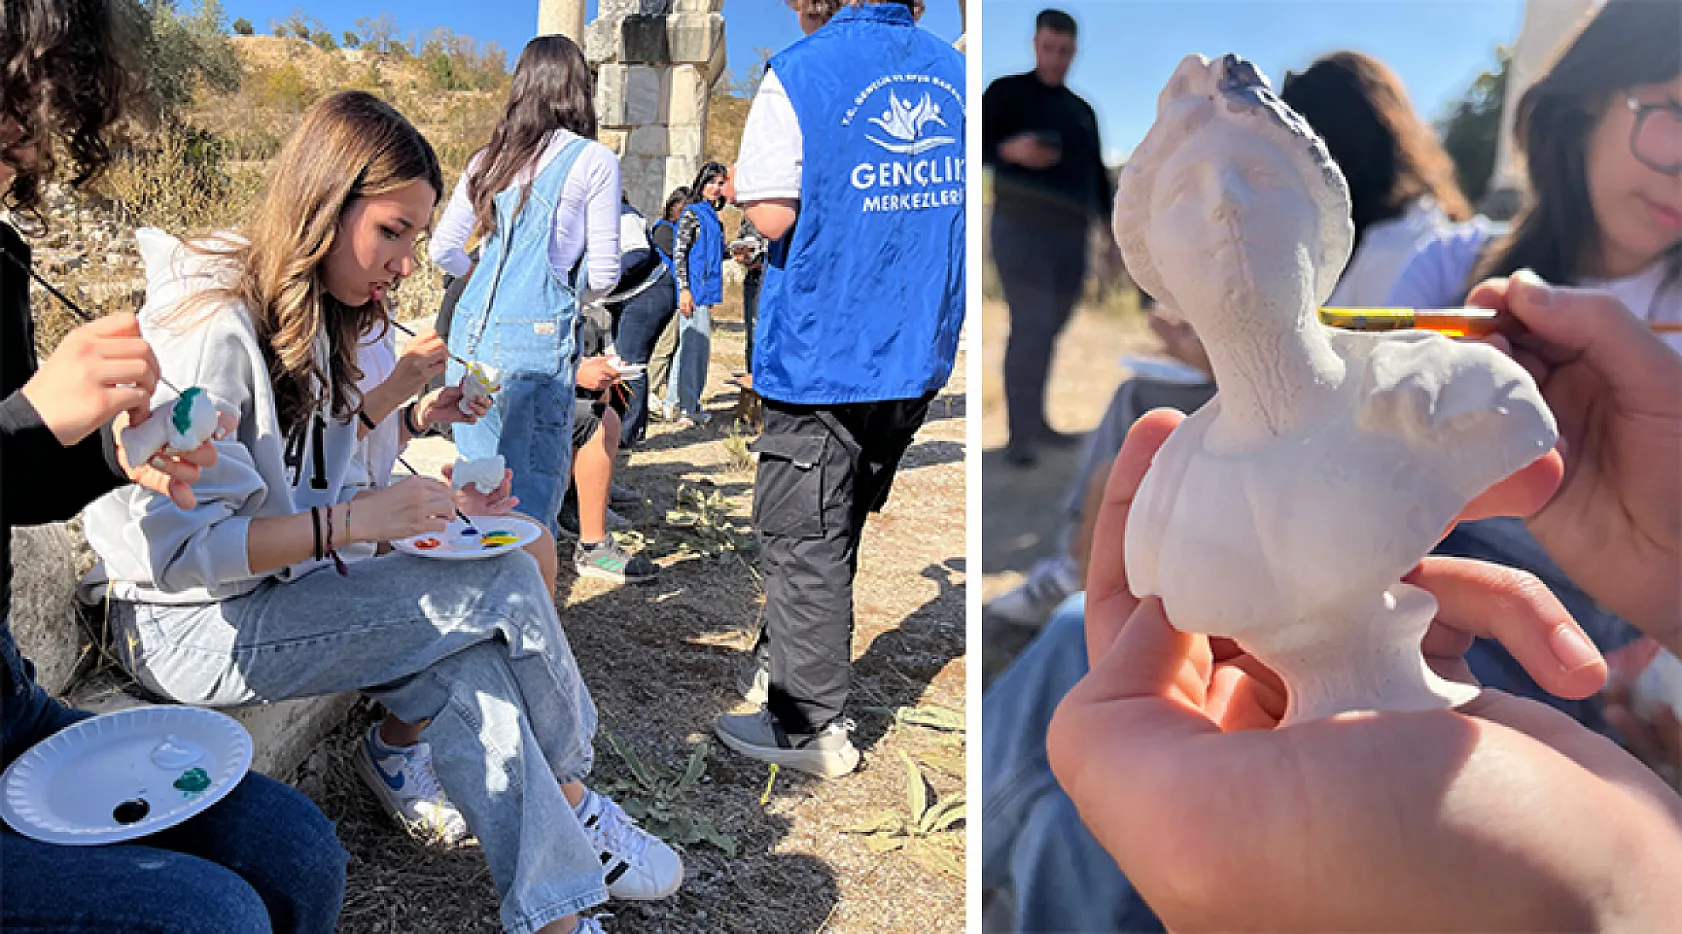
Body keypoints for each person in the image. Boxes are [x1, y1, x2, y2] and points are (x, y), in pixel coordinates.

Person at [80, 93, 680, 934]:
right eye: (391, 231)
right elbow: (186, 553)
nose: (408, 261)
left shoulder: (316, 319)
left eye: (416, 234)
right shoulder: (214, 331)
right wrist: (356, 524)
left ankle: (557, 915)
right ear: (326, 204)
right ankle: (574, 786)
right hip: (189, 624)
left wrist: (407, 489)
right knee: (508, 573)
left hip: (275, 594)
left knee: (472, 672)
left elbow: (310, 475)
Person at [1045, 274, 1682, 932]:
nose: (1225, 216)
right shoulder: (1186, 473)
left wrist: (1614, 880)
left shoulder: (1416, 376)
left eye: (1259, 180)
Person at [1, 2, 347, 930]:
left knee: (299, 856)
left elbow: (14, 487)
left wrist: (107, 454)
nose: (27, 155)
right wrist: (25, 416)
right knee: (210, 918)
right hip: (174, 634)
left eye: (29, 122)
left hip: (6, 709)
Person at [986, 48, 1476, 628]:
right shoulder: (1379, 225)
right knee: (1135, 399)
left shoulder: (1409, 245)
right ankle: (1074, 561)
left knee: (1141, 414)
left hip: (1318, 431)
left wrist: (1214, 353)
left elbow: (1347, 365)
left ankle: (1075, 572)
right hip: (1283, 403)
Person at [1385, 0, 1681, 738]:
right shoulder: (1454, 267)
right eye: (1676, 113)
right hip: (1397, 578)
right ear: (1589, 97)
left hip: (1571, 658)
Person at [716, 0, 964, 777]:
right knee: (837, 515)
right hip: (915, 345)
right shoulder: (957, 70)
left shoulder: (801, 71)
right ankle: (784, 658)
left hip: (831, 342)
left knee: (800, 529)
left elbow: (771, 211)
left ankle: (807, 724)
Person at [430, 35, 621, 539]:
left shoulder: (486, 160)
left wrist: (485, 279)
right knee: (529, 497)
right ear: (579, 90)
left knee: (477, 487)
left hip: (471, 339)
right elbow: (603, 275)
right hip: (534, 342)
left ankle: (478, 604)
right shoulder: (592, 161)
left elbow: (441, 250)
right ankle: (526, 610)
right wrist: (561, 289)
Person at [983, 9, 1116, 465]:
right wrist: (1007, 149)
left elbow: (1098, 179)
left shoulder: (1083, 112)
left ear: (1074, 52)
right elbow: (970, 144)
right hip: (1019, 234)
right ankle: (1019, 437)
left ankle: (1036, 420)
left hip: (1071, 238)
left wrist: (1114, 232)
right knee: (1031, 326)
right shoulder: (1006, 94)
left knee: (1052, 328)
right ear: (1035, 44)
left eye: (1064, 51)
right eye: (1048, 48)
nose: (1056, 58)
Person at [563, 310, 659, 584]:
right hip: (487, 409)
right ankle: (590, 542)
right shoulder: (504, 285)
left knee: (597, 406)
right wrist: (573, 371)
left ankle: (582, 494)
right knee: (598, 421)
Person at [600, 193, 676, 448]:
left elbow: (638, 254)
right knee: (614, 360)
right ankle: (616, 424)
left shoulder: (624, 216)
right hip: (617, 299)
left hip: (648, 293)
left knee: (629, 363)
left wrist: (604, 275)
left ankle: (629, 435)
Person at [665, 161, 729, 427]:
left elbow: (713, 254)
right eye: (711, 182)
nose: (715, 188)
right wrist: (685, 289)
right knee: (696, 351)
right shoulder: (692, 214)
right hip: (694, 291)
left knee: (688, 349)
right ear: (701, 184)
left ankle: (673, 402)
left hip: (705, 290)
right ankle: (688, 407)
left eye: (720, 183)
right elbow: (680, 253)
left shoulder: (713, 217)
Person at [646, 186, 688, 420]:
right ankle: (650, 391)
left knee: (670, 347)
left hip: (671, 293)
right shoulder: (665, 231)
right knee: (665, 346)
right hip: (669, 295)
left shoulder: (668, 230)